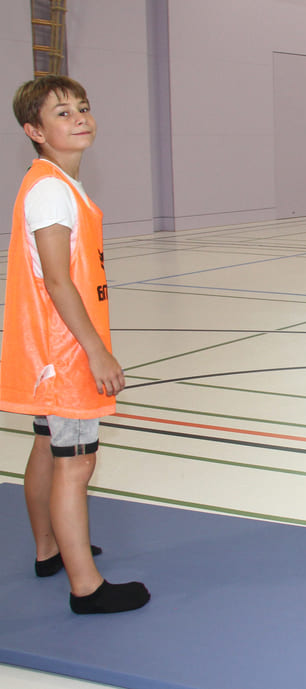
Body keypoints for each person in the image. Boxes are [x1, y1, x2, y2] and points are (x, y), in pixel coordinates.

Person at [3, 76, 150, 614]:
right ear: (34, 130)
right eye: (62, 113)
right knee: (76, 462)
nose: (79, 117)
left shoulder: (53, 183)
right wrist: (95, 350)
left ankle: (49, 548)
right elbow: (59, 281)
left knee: (48, 446)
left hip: (48, 351)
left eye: (83, 108)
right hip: (63, 353)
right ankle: (85, 587)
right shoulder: (49, 191)